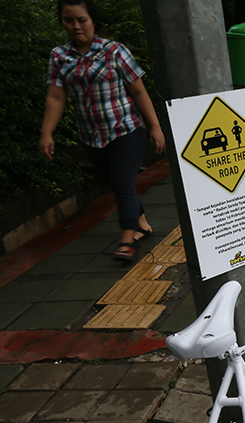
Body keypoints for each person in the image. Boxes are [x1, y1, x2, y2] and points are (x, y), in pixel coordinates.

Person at [40, 0, 165, 263]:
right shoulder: (59, 56)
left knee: (121, 183)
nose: (75, 26)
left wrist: (155, 126)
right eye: (68, 20)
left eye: (81, 20)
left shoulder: (115, 51)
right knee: (119, 184)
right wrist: (47, 133)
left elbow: (138, 90)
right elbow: (56, 97)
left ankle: (127, 240)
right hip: (91, 136)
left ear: (93, 21)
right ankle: (141, 224)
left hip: (125, 130)